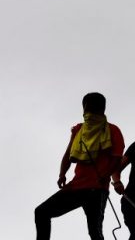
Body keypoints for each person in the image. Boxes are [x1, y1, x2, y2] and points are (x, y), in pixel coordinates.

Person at [35, 92, 125, 240]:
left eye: (89, 107)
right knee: (41, 212)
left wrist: (105, 176)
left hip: (97, 190)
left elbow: (116, 160)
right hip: (77, 186)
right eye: (87, 107)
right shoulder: (79, 130)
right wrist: (62, 174)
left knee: (95, 232)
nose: (87, 111)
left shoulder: (112, 130)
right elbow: (69, 153)